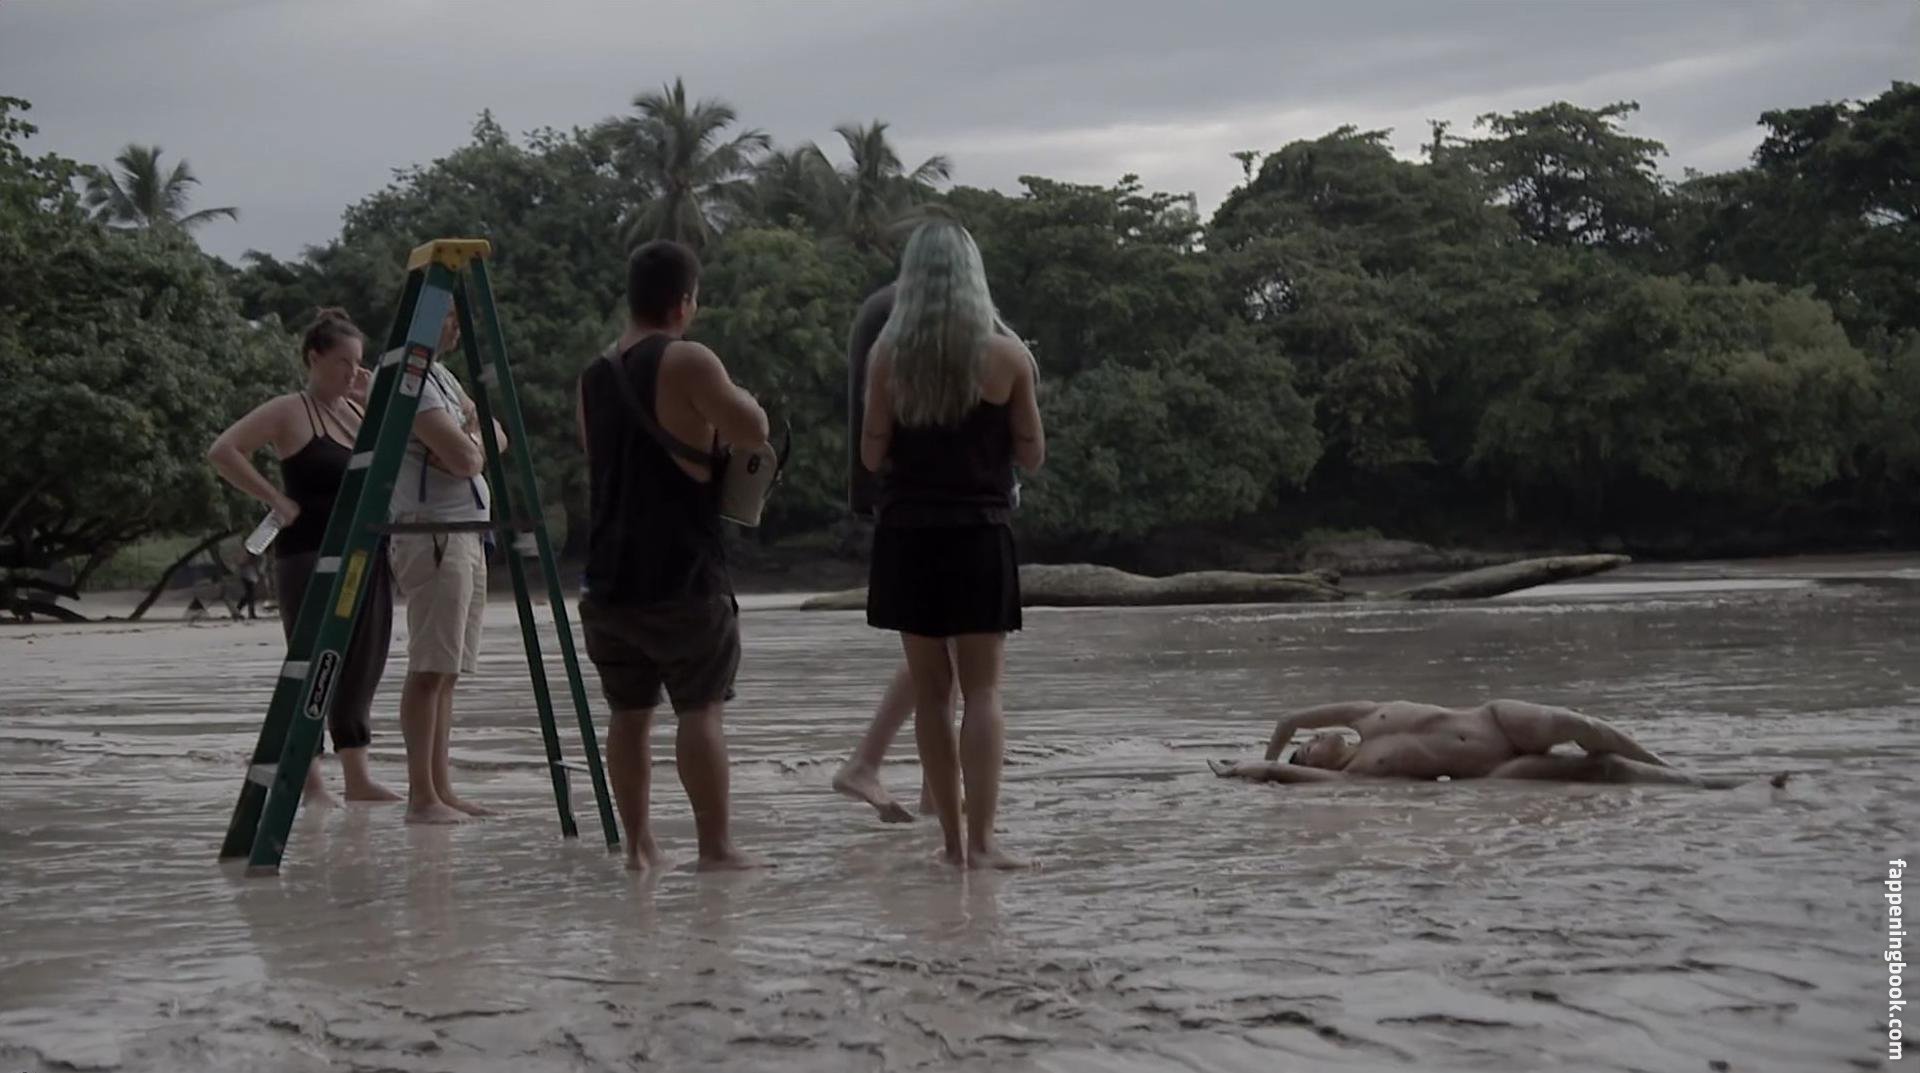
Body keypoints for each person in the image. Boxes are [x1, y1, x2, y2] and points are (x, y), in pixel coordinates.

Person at [576, 239, 769, 873]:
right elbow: (753, 431)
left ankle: (639, 847)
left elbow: (596, 456)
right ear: (684, 303)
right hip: (682, 573)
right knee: (700, 708)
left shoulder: (594, 375)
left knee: (628, 715)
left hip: (608, 578)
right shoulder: (688, 359)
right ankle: (715, 848)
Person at [861, 220, 1045, 869]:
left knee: (932, 692)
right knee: (984, 692)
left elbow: (871, 453)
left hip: (908, 536)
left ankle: (949, 847)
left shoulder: (888, 358)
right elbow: (1032, 454)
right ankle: (984, 841)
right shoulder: (1008, 357)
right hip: (979, 535)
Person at [831, 283, 1035, 824]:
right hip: (953, 509)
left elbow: (874, 431)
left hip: (901, 506)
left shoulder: (884, 313)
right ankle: (873, 765)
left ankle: (925, 789)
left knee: (937, 661)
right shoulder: (942, 318)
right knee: (959, 663)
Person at [207, 308, 399, 806]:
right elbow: (224, 450)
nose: (351, 373)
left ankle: (358, 776)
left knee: (363, 662)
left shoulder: (358, 413)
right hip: (308, 554)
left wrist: (371, 396)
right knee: (314, 661)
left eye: (358, 363)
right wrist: (274, 498)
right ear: (314, 358)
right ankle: (310, 780)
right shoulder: (289, 409)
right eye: (342, 362)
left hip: (365, 554)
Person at [387, 311, 506, 825]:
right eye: (450, 317)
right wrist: (469, 445)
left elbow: (492, 432)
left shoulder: (442, 375)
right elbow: (464, 458)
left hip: (465, 531)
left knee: (448, 671)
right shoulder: (411, 375)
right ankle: (422, 795)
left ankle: (441, 787)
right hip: (433, 532)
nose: (458, 327)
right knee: (430, 667)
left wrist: (469, 439)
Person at [1208, 699, 1759, 788]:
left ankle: (1671, 764)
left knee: (1581, 726)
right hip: (1493, 774)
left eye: (1310, 739)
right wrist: (1254, 769)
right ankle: (1710, 784)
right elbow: (1281, 774)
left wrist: (1269, 750)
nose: (1315, 738)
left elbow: (1288, 719)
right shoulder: (1354, 777)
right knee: (1602, 769)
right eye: (1310, 747)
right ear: (1319, 764)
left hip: (1496, 720)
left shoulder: (1362, 713)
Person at [236, 554, 261, 620]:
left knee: (249, 595)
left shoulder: (251, 557)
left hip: (249, 577)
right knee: (249, 595)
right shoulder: (247, 557)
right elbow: (241, 564)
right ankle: (249, 612)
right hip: (247, 577)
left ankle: (248, 612)